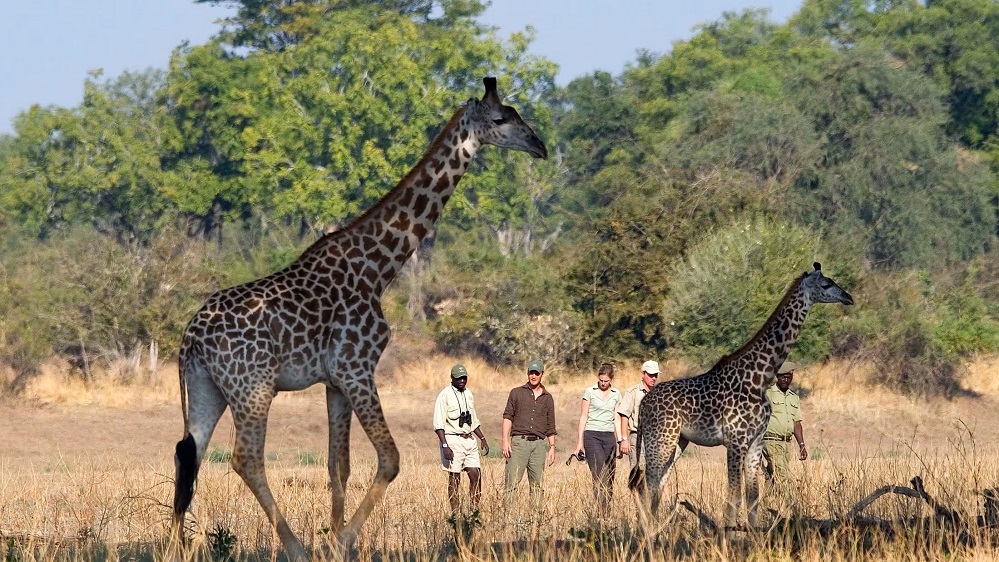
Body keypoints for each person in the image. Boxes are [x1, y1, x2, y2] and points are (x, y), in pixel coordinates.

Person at [501, 358, 557, 511]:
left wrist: (552, 446)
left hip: (539, 445)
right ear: (527, 373)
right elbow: (507, 417)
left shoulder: (548, 398)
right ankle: (508, 519)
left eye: (536, 373)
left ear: (542, 374)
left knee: (537, 485)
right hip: (519, 443)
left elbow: (550, 425)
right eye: (531, 373)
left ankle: (536, 522)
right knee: (512, 483)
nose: (533, 376)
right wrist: (505, 441)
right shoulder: (516, 393)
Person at [434, 364, 489, 515]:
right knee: (455, 476)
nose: (462, 381)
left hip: (469, 438)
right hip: (452, 439)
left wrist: (482, 437)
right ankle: (456, 513)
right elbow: (438, 424)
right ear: (452, 378)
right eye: (459, 378)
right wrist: (445, 445)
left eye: (464, 378)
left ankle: (474, 511)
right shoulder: (444, 395)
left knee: (475, 474)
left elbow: (473, 418)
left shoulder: (468, 393)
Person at [571, 362, 623, 516]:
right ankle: (601, 511)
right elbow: (583, 417)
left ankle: (606, 511)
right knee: (600, 474)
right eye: (600, 380)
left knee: (611, 476)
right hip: (592, 435)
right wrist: (579, 443)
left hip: (608, 437)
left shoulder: (616, 394)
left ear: (611, 379)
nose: (602, 383)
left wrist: (620, 440)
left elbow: (617, 419)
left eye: (605, 381)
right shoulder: (590, 392)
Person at [762, 361, 807, 492]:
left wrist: (802, 445)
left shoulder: (794, 397)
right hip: (771, 441)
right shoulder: (767, 394)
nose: (785, 380)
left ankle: (765, 509)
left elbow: (797, 423)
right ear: (777, 376)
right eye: (782, 376)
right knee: (784, 476)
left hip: (786, 443)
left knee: (772, 478)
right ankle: (794, 509)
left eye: (788, 377)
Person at [616, 360, 660, 467]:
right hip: (637, 436)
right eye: (650, 375)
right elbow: (624, 416)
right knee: (638, 470)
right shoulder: (633, 392)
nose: (653, 378)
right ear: (643, 374)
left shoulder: (660, 393)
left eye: (655, 375)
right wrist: (624, 439)